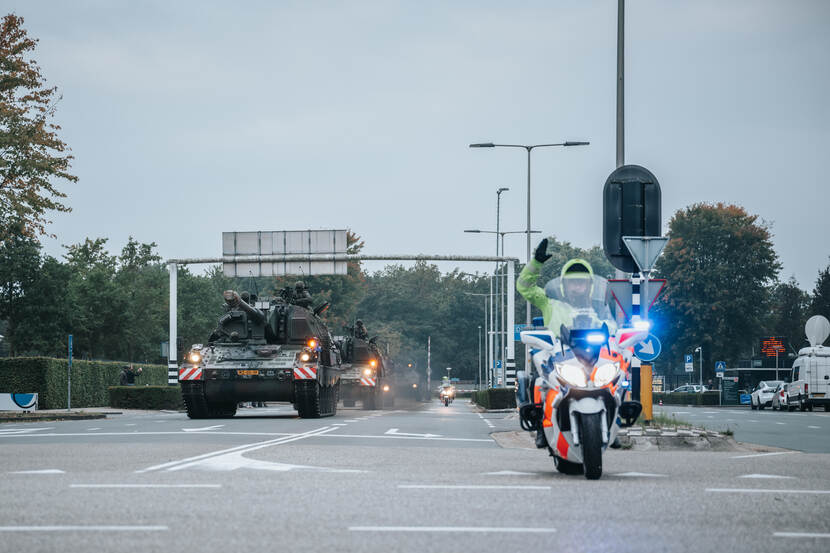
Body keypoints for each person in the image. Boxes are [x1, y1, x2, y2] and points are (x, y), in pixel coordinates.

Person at [517, 239, 617, 448]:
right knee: (538, 382)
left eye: (582, 281)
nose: (577, 285)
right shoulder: (550, 303)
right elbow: (524, 288)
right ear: (564, 284)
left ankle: (614, 422)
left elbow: (611, 328)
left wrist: (617, 338)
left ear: (590, 285)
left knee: (619, 377)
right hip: (558, 354)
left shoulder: (600, 308)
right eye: (572, 281)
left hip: (593, 355)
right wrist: (535, 263)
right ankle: (540, 428)